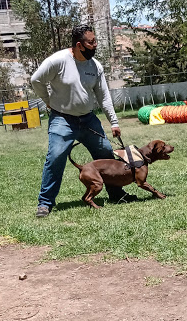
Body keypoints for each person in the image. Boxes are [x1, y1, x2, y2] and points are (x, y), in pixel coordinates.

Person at [31, 24, 137, 217]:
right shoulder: (58, 61)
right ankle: (45, 203)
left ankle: (116, 194)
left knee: (105, 153)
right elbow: (36, 80)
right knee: (55, 157)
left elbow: (104, 96)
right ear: (79, 45)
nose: (95, 45)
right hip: (62, 119)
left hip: (88, 119)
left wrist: (114, 122)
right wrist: (48, 101)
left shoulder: (95, 66)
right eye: (91, 42)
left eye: (95, 40)